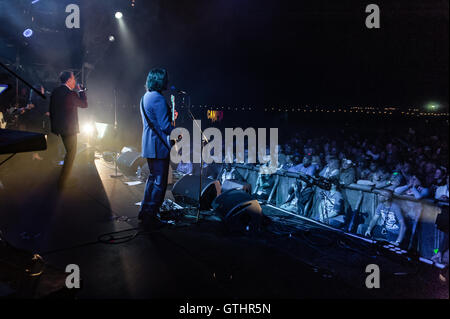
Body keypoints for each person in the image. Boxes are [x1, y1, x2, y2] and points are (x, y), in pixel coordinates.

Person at [138, 68, 177, 229]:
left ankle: (145, 211)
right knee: (160, 183)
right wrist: (175, 128)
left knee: (152, 179)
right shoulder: (159, 98)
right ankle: (151, 216)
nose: (167, 81)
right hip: (159, 145)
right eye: (165, 79)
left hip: (149, 143)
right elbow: (165, 126)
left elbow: (154, 122)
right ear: (160, 81)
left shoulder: (145, 96)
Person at [49, 71, 88, 189]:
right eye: (74, 79)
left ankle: (63, 179)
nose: (75, 82)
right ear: (69, 80)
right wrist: (81, 91)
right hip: (69, 129)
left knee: (67, 153)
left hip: (57, 128)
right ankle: (62, 182)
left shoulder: (55, 92)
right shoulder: (71, 94)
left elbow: (51, 109)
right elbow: (84, 104)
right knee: (71, 154)